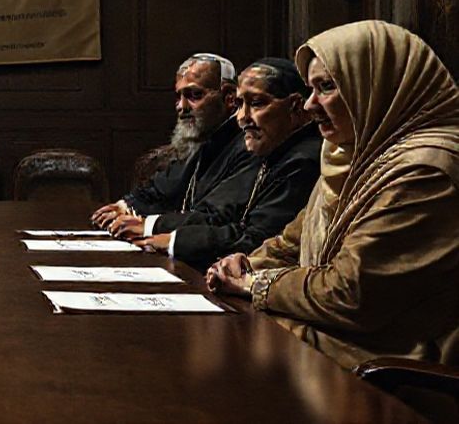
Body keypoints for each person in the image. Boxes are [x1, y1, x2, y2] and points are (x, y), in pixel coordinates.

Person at [207, 20, 459, 370]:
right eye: (311, 89)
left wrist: (255, 283)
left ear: (375, 86)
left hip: (393, 365)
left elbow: (351, 295)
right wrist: (244, 264)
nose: (310, 105)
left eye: (326, 87)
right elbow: (292, 242)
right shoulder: (353, 151)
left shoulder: (425, 170)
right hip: (336, 337)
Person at [109, 59, 322, 271]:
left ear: (296, 107)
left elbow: (255, 236)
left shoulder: (301, 160)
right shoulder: (269, 147)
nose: (242, 118)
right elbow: (166, 187)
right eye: (240, 105)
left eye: (256, 103)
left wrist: (172, 239)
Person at [91, 53, 255, 236]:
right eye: (179, 96)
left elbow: (215, 217)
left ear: (229, 98)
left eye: (194, 95)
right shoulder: (204, 138)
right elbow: (162, 189)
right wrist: (124, 206)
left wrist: (149, 225)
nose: (181, 106)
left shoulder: (248, 145)